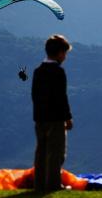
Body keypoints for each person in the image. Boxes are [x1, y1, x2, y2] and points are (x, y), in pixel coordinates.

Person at [31, 34, 73, 192]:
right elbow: (62, 97)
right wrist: (67, 117)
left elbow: (34, 95)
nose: (65, 57)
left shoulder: (38, 71)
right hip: (55, 119)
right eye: (65, 53)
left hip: (40, 118)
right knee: (56, 153)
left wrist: (38, 115)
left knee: (41, 152)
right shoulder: (58, 72)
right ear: (60, 53)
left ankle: (39, 185)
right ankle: (54, 185)